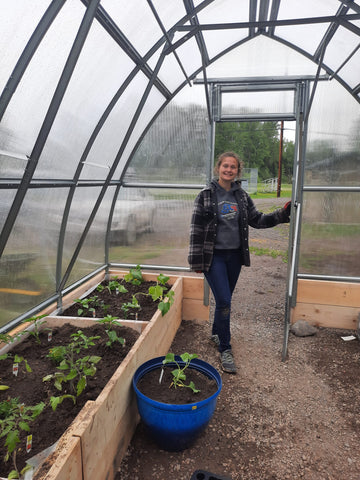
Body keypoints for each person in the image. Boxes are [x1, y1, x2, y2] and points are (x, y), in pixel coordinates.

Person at [188, 151, 291, 374]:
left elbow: (258, 220)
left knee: (225, 301)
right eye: (225, 166)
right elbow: (196, 229)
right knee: (224, 301)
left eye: (233, 167)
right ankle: (225, 348)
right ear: (219, 169)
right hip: (213, 257)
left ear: (237, 171)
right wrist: (195, 260)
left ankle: (217, 334)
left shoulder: (242, 197)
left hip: (234, 257)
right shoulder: (206, 195)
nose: (228, 170)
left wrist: (281, 215)